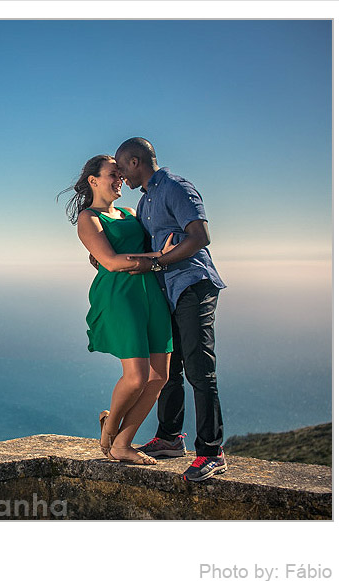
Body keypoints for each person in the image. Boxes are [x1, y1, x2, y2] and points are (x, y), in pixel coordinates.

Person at [113, 137, 227, 482]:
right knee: (170, 370)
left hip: (193, 285)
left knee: (199, 370)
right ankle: (169, 439)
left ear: (135, 161)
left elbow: (200, 236)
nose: (120, 176)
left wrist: (160, 262)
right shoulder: (146, 200)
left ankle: (211, 452)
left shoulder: (176, 187)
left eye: (121, 168)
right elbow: (149, 250)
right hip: (168, 292)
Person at [62, 154, 174, 465]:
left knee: (158, 377)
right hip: (120, 296)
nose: (120, 178)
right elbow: (111, 262)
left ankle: (123, 444)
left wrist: (152, 260)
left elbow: (137, 250)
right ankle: (110, 429)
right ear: (93, 180)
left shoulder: (129, 211)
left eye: (121, 173)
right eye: (113, 174)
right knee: (136, 377)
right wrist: (157, 259)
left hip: (149, 293)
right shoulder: (90, 219)